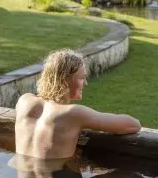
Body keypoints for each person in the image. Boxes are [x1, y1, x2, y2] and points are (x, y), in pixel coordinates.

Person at [14, 49, 142, 160]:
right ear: (65, 80)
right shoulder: (73, 113)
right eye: (81, 78)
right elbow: (133, 125)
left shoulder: (24, 101)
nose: (85, 83)